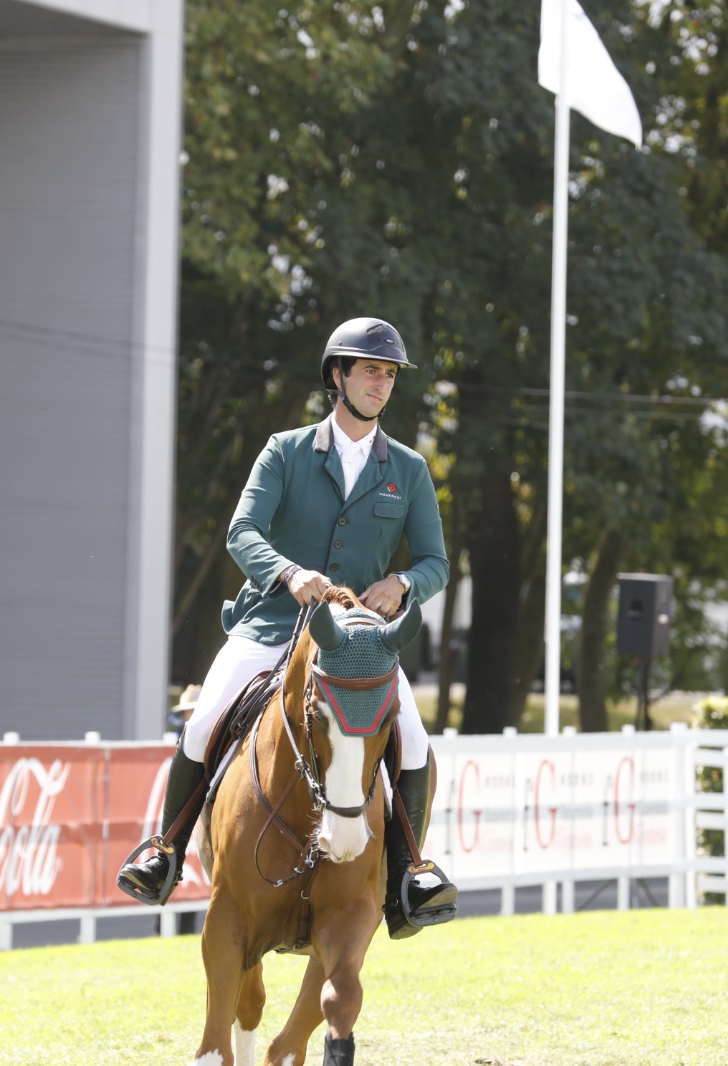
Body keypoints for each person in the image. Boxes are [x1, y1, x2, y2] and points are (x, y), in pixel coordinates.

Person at [117, 316, 458, 938]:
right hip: (272, 621)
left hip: (355, 639)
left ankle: (411, 875)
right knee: (204, 720)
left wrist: (403, 584)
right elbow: (241, 532)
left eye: (389, 376)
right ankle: (162, 851)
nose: (382, 385)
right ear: (338, 376)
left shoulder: (407, 469)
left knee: (413, 735)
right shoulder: (286, 450)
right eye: (370, 372)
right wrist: (287, 574)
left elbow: (437, 561)